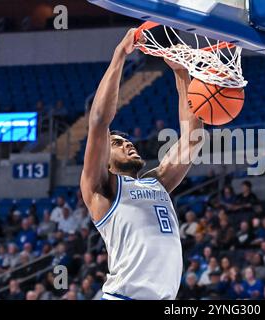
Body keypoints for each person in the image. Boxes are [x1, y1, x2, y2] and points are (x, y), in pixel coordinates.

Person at [80, 29, 204, 300]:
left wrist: (181, 72)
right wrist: (120, 55)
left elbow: (193, 139)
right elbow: (99, 121)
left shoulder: (157, 181)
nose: (127, 144)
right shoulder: (103, 190)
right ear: (107, 163)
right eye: (117, 144)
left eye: (127, 141)